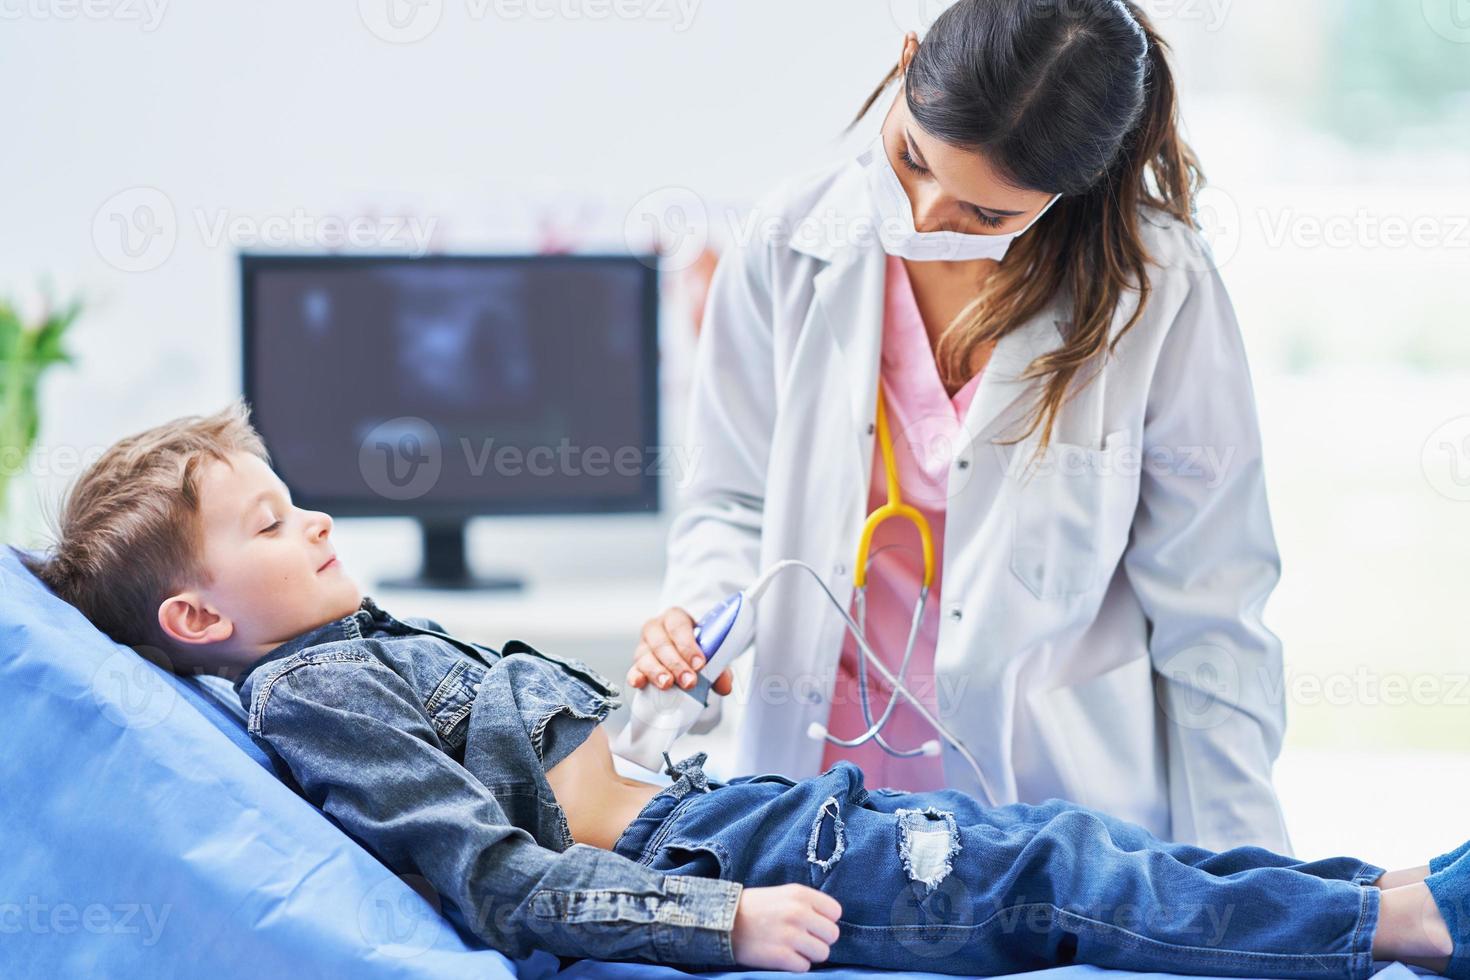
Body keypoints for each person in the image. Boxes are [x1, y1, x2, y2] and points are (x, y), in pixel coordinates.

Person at [22, 402, 1470, 977]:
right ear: (199, 610)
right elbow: (508, 882)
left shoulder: (352, 658)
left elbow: (555, 768)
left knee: (1052, 857)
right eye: (272, 524)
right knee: (1057, 868)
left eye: (295, 500)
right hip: (717, 857)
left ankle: (1382, 904)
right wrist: (720, 918)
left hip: (726, 810)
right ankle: (1399, 914)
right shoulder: (309, 705)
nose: (316, 521)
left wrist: (654, 709)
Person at [628, 0, 1292, 851]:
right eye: (911, 159)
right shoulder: (788, 241)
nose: (925, 215)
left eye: (987, 217)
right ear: (908, 61)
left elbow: (1213, 609)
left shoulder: (1155, 288)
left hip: (1055, 815)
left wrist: (1253, 882)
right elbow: (731, 501)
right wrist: (699, 616)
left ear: (1071, 186)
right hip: (824, 790)